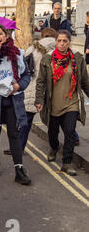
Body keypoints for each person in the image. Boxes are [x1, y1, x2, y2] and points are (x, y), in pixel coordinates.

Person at [35, 30, 89, 176]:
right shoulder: (48, 59)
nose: (62, 43)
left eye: (65, 41)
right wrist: (39, 100)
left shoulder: (77, 59)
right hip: (53, 104)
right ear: (56, 42)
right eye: (59, 41)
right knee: (53, 132)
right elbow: (40, 82)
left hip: (71, 102)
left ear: (69, 42)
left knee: (70, 132)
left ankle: (66, 163)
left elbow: (84, 81)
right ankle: (54, 147)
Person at [0, 24, 32, 185]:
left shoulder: (18, 54)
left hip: (13, 101)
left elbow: (26, 74)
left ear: (6, 35)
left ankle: (19, 170)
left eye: (0, 33)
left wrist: (19, 85)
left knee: (14, 134)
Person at [15, 28, 57, 153]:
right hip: (50, 89)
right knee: (56, 119)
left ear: (42, 36)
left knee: (26, 122)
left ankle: (19, 148)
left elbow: (22, 68)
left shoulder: (31, 49)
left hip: (31, 88)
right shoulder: (58, 50)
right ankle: (64, 142)